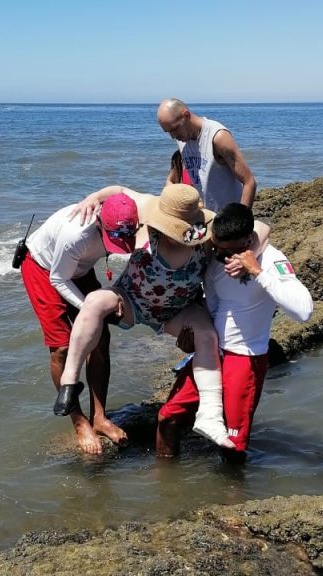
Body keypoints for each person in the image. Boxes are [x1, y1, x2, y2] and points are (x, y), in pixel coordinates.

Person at [57, 184, 269, 449]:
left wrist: (251, 256)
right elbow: (120, 190)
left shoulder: (207, 236)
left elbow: (260, 227)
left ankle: (210, 415)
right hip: (130, 300)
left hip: (177, 311)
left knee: (206, 334)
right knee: (94, 300)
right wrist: (93, 198)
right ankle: (69, 382)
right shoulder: (148, 210)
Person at [156, 202, 314, 461]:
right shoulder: (217, 260)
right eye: (217, 249)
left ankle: (236, 499)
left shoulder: (272, 261)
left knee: (232, 445)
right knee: (167, 418)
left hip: (245, 358)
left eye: (227, 251)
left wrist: (257, 271)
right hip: (211, 354)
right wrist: (194, 342)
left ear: (249, 240)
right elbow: (213, 308)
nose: (221, 256)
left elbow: (304, 311)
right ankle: (164, 489)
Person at [20, 191, 139, 454]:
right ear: (99, 224)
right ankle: (79, 421)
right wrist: (90, 308)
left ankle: (100, 416)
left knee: (100, 337)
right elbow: (58, 279)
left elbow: (121, 190)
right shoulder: (77, 235)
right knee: (62, 347)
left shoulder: (130, 215)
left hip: (80, 268)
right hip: (45, 268)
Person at [157, 98, 257, 212]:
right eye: (168, 131)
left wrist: (241, 221)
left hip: (230, 217)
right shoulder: (182, 140)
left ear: (186, 115)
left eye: (174, 129)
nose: (173, 136)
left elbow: (249, 181)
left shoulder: (218, 137)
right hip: (207, 216)